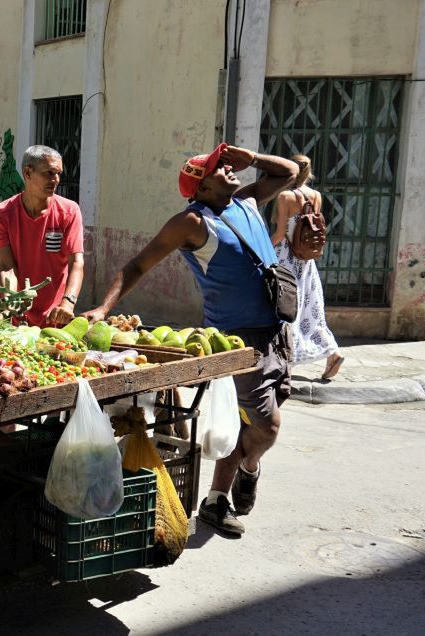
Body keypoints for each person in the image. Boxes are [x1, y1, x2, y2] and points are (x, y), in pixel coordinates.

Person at [80, 143, 298, 538]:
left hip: (278, 331)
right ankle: (246, 470)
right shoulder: (192, 223)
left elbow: (288, 173)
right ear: (200, 188)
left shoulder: (247, 202)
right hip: (235, 342)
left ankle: (218, 498)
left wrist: (251, 157)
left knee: (247, 421)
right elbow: (138, 264)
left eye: (228, 165)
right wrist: (102, 308)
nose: (230, 170)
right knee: (266, 426)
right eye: (220, 168)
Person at [0, 145, 85, 328]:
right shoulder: (1, 213)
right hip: (15, 318)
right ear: (27, 172)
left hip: (55, 317)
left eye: (58, 173)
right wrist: (11, 299)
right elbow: (6, 264)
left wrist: (68, 302)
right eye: (48, 173)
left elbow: (77, 262)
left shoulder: (69, 211)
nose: (55, 179)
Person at [270, 155, 343, 380]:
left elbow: (281, 234)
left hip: (286, 258)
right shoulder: (316, 196)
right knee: (310, 309)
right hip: (305, 261)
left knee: (285, 308)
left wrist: (262, 248)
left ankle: (285, 361)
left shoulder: (285, 196)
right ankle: (332, 352)